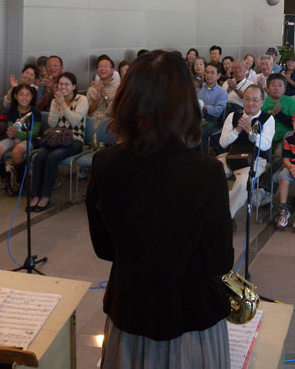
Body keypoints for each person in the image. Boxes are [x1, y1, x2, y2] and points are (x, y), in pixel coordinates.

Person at [87, 51, 233, 368]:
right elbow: (220, 260)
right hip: (192, 319)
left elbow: (104, 248)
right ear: (185, 104)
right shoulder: (206, 171)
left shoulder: (105, 163)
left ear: (128, 99)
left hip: (130, 310)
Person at [30, 72, 87, 211]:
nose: (63, 87)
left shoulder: (81, 99)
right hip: (57, 139)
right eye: (61, 84)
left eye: (67, 84)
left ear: (74, 86)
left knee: (52, 157)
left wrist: (63, 105)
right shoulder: (55, 101)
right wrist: (57, 105)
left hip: (75, 140)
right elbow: (51, 123)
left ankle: (45, 196)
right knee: (39, 156)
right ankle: (35, 195)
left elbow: (75, 121)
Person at [218, 84, 275, 219]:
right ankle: (216, 209)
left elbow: (265, 145)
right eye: (247, 99)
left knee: (243, 183)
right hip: (231, 155)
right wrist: (237, 130)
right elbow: (222, 143)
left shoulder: (267, 119)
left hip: (255, 159)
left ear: (262, 103)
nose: (250, 103)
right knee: (211, 174)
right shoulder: (233, 116)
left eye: (255, 100)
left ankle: (226, 217)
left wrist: (250, 131)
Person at [0, 83, 42, 195]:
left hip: (31, 139)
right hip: (14, 137)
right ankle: (6, 177)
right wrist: (13, 134)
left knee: (16, 152)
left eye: (28, 94)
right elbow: (11, 129)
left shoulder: (35, 112)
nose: (24, 97)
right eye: (21, 94)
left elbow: (34, 133)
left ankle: (20, 181)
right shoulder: (12, 111)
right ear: (16, 96)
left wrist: (17, 135)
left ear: (32, 97)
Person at [197, 62, 228, 153]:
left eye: (212, 73)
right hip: (197, 117)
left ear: (218, 76)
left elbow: (217, 111)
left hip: (213, 121)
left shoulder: (222, 92)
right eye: (207, 72)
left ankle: (203, 157)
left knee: (201, 131)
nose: (208, 75)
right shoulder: (199, 88)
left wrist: (202, 105)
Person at [87, 55, 118, 120]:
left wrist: (103, 93)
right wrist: (97, 99)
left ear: (112, 70)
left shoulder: (119, 88)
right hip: (93, 122)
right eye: (100, 66)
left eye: (106, 66)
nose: (103, 69)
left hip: (109, 122)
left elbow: (116, 112)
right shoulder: (92, 89)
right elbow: (88, 112)